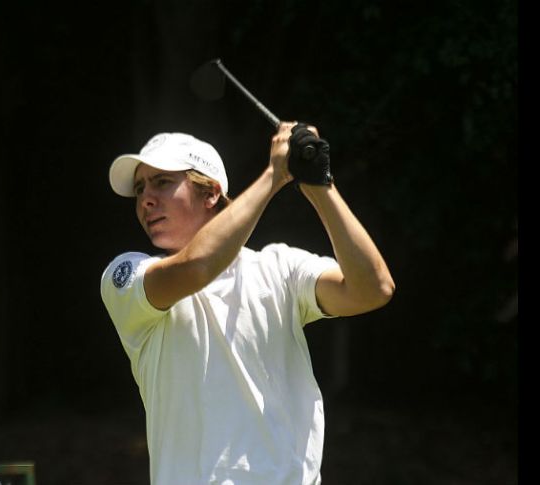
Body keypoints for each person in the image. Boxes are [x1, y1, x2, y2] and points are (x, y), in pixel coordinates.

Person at [100, 123, 395, 485]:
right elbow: (196, 267)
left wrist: (320, 186)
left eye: (162, 182)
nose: (145, 200)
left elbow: (373, 289)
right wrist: (275, 175)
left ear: (211, 193)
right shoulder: (128, 276)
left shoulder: (280, 267)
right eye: (140, 188)